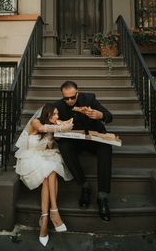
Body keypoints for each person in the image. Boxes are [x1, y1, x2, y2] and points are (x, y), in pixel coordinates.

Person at [15, 103, 73, 246]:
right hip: (29, 159)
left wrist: (58, 132)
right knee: (50, 169)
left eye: (58, 114)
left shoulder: (51, 129)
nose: (57, 117)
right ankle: (54, 212)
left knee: (50, 171)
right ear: (46, 114)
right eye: (54, 114)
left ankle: (45, 219)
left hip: (44, 157)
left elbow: (49, 146)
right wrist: (62, 126)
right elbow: (41, 128)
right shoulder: (36, 122)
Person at [54, 80, 113, 222]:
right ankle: (84, 186)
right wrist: (59, 126)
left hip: (93, 139)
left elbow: (109, 116)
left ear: (77, 93)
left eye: (72, 97)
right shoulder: (58, 106)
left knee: (106, 147)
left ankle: (102, 197)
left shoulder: (89, 99)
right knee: (64, 146)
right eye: (66, 98)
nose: (69, 101)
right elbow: (50, 124)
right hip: (75, 141)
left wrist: (100, 115)